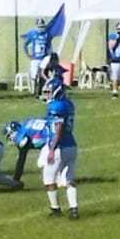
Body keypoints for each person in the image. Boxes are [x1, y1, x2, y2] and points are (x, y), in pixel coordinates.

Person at [41, 73, 79, 220]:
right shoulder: (69, 104)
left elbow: (59, 128)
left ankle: (55, 209)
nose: (47, 95)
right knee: (69, 179)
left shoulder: (56, 106)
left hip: (60, 147)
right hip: (72, 145)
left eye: (49, 91)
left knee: (49, 179)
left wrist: (51, 148)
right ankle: (74, 208)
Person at [3, 116, 54, 184]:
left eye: (10, 135)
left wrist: (16, 179)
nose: (11, 138)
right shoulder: (27, 122)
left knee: (42, 163)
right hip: (57, 132)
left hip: (52, 140)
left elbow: (21, 159)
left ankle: (54, 179)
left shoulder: (21, 136)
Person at [22, 18, 54, 96]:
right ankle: (34, 90)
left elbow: (49, 46)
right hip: (35, 58)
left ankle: (43, 92)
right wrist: (28, 54)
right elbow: (25, 45)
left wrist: (49, 56)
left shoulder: (47, 34)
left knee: (43, 74)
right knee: (35, 75)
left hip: (44, 58)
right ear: (36, 26)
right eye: (39, 26)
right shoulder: (32, 34)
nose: (41, 28)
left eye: (42, 26)